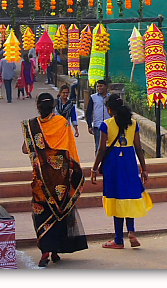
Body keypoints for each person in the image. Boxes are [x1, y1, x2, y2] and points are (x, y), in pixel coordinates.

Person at [20, 93, 88, 267]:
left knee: (42, 213)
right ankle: (56, 250)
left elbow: (25, 150)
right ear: (53, 106)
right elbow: (70, 151)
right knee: (60, 213)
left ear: (38, 106)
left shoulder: (32, 125)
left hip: (41, 181)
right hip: (60, 181)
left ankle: (45, 253)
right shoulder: (62, 124)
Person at [90, 94, 152, 249]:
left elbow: (102, 149)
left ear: (109, 110)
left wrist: (94, 168)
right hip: (130, 163)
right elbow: (139, 147)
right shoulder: (133, 123)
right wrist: (144, 168)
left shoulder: (106, 124)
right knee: (129, 197)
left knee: (116, 199)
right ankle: (131, 232)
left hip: (113, 164)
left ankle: (118, 239)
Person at [85, 79, 109, 153]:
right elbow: (89, 112)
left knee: (109, 146)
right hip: (98, 126)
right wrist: (89, 125)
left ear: (106, 87)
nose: (99, 88)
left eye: (101, 86)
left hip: (109, 126)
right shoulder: (93, 97)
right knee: (98, 146)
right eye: (97, 86)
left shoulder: (110, 97)